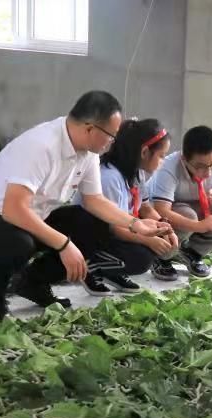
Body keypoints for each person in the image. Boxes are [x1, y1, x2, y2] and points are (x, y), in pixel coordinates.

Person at [0, 91, 170, 323]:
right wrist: (64, 244)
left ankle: (33, 282)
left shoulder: (88, 153)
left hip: (33, 217)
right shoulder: (42, 145)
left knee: (93, 224)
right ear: (90, 129)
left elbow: (95, 200)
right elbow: (14, 209)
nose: (113, 142)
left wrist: (135, 223)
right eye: (111, 135)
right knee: (18, 243)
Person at [76, 118, 180, 295]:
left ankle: (113, 271)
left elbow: (145, 207)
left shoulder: (136, 172)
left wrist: (165, 226)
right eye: (162, 155)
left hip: (121, 230)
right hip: (91, 236)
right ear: (145, 152)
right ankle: (90, 267)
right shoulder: (109, 178)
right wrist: (148, 239)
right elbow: (114, 227)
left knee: (157, 244)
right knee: (142, 258)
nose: (163, 162)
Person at [148, 125, 212, 279]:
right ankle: (161, 257)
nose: (207, 172)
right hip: (170, 210)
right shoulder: (169, 167)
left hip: (200, 205)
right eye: (200, 167)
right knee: (189, 215)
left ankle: (192, 252)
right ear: (184, 159)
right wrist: (198, 226)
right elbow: (161, 210)